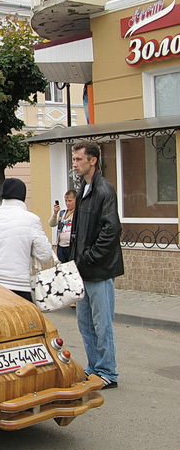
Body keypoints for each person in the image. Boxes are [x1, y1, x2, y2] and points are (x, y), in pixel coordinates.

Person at [70, 141, 124, 390]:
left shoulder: (104, 189)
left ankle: (107, 372)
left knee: (102, 325)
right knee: (85, 324)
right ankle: (94, 368)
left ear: (92, 160)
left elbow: (112, 229)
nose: (75, 163)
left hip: (99, 271)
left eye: (79, 159)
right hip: (82, 270)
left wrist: (90, 256)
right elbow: (79, 231)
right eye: (74, 159)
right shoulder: (83, 189)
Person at [0, 178, 52, 301]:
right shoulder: (31, 220)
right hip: (19, 285)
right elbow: (45, 255)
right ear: (22, 195)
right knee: (26, 320)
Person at [49, 189, 77, 263]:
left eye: (70, 201)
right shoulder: (63, 213)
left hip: (72, 246)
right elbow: (51, 224)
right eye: (66, 201)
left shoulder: (78, 213)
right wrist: (55, 213)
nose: (67, 203)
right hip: (61, 246)